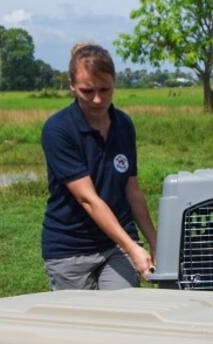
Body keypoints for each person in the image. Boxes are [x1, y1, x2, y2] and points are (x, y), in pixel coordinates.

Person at [40, 43, 158, 290]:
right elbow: (88, 199)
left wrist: (155, 242)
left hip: (116, 245)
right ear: (72, 85)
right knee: (81, 325)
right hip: (70, 249)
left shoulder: (123, 124)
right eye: (87, 91)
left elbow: (132, 190)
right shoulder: (58, 130)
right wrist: (133, 248)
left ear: (115, 82)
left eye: (105, 89)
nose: (97, 99)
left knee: (123, 315)